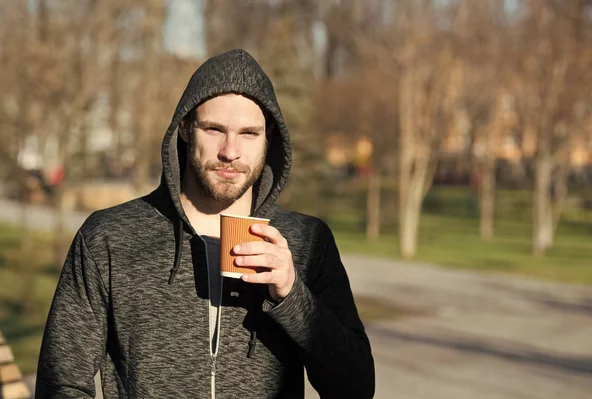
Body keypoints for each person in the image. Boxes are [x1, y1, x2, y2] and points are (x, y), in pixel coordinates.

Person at [36, 49, 375, 399]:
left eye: (248, 133)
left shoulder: (306, 242)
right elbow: (61, 382)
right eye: (214, 129)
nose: (230, 151)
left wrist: (292, 296)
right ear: (184, 128)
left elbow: (357, 388)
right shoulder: (108, 238)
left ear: (268, 138)